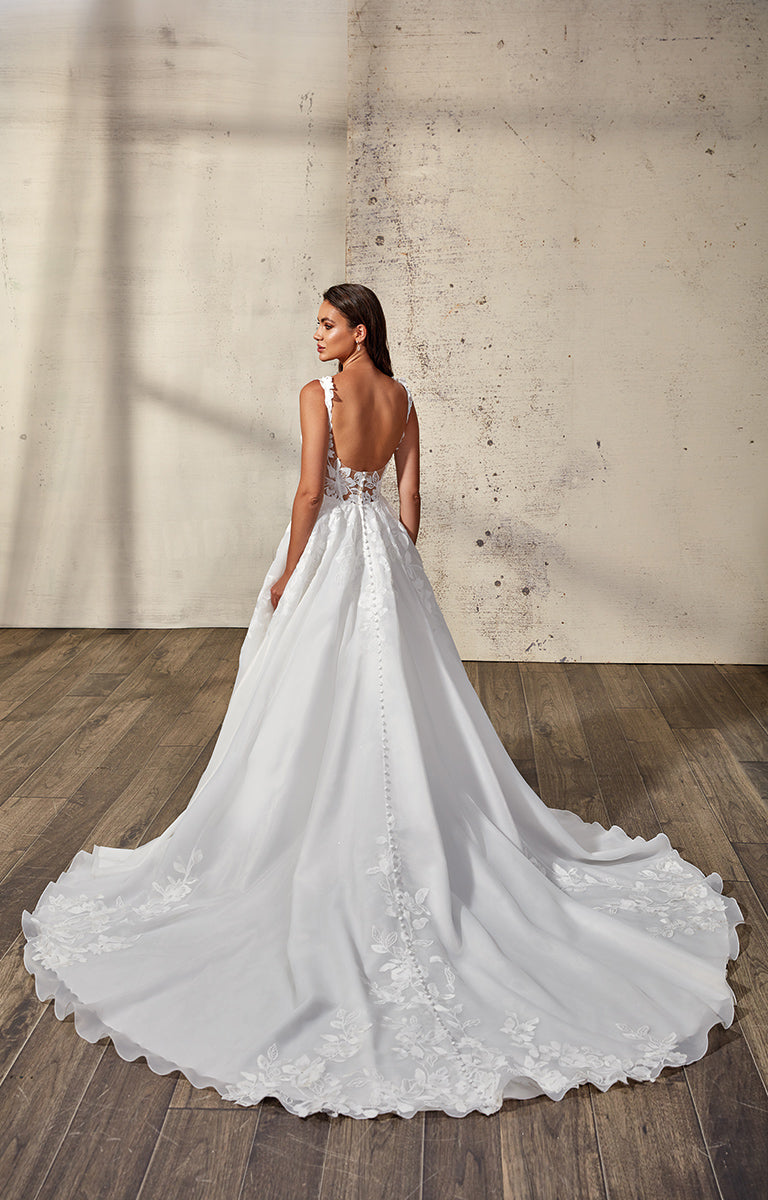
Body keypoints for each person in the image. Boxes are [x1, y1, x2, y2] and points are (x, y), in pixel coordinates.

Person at [22, 284, 743, 1120]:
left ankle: (309, 829)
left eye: (327, 324)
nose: (316, 336)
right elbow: (410, 499)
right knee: (406, 703)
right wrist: (392, 563)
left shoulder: (318, 394)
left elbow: (304, 494)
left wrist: (293, 574)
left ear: (359, 332)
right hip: (384, 563)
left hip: (328, 548)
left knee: (306, 701)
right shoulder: (401, 398)